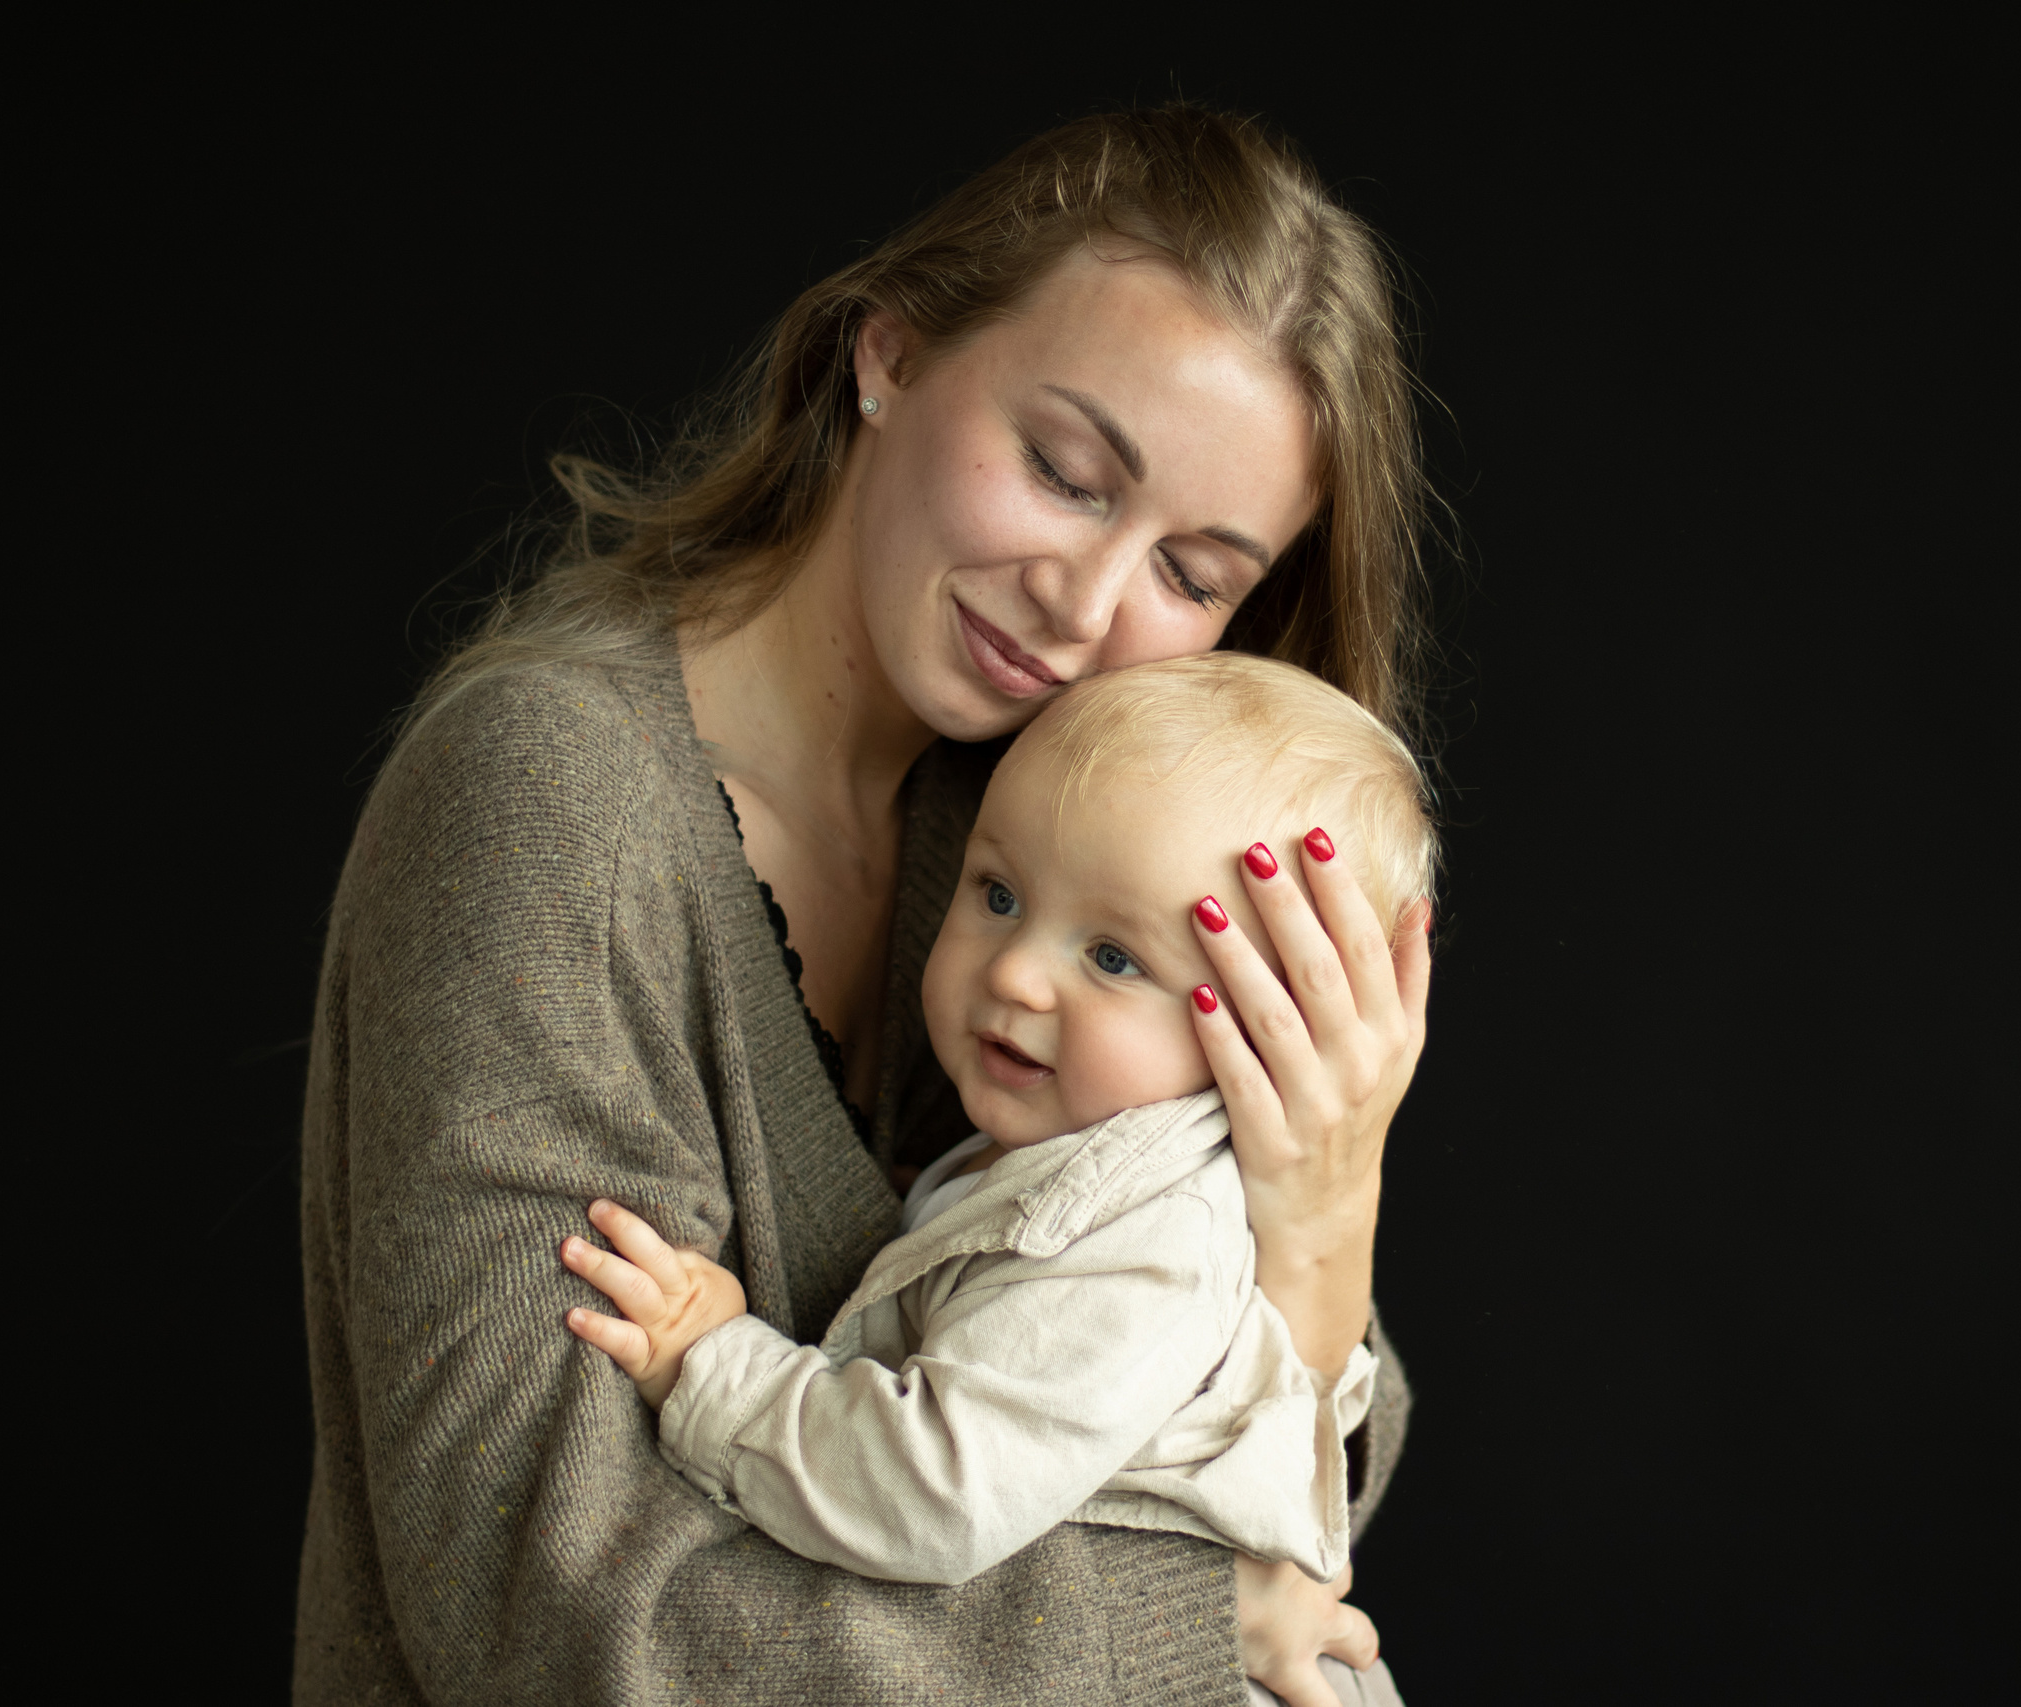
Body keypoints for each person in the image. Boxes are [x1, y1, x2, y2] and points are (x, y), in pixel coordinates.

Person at [296, 105, 1437, 1707]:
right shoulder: (551, 807)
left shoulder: (1050, 824)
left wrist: (1324, 1218)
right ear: (886, 351)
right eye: (1062, 469)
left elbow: (1268, 1522)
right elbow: (548, 1616)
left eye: (1193, 572)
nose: (1090, 603)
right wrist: (1173, 1626)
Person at [555, 653, 1429, 1707]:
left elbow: (931, 1490)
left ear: (1273, 1024)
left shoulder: (1145, 1246)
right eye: (999, 894)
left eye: (1113, 958)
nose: (1014, 973)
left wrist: (711, 1366)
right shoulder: (1052, 1164)